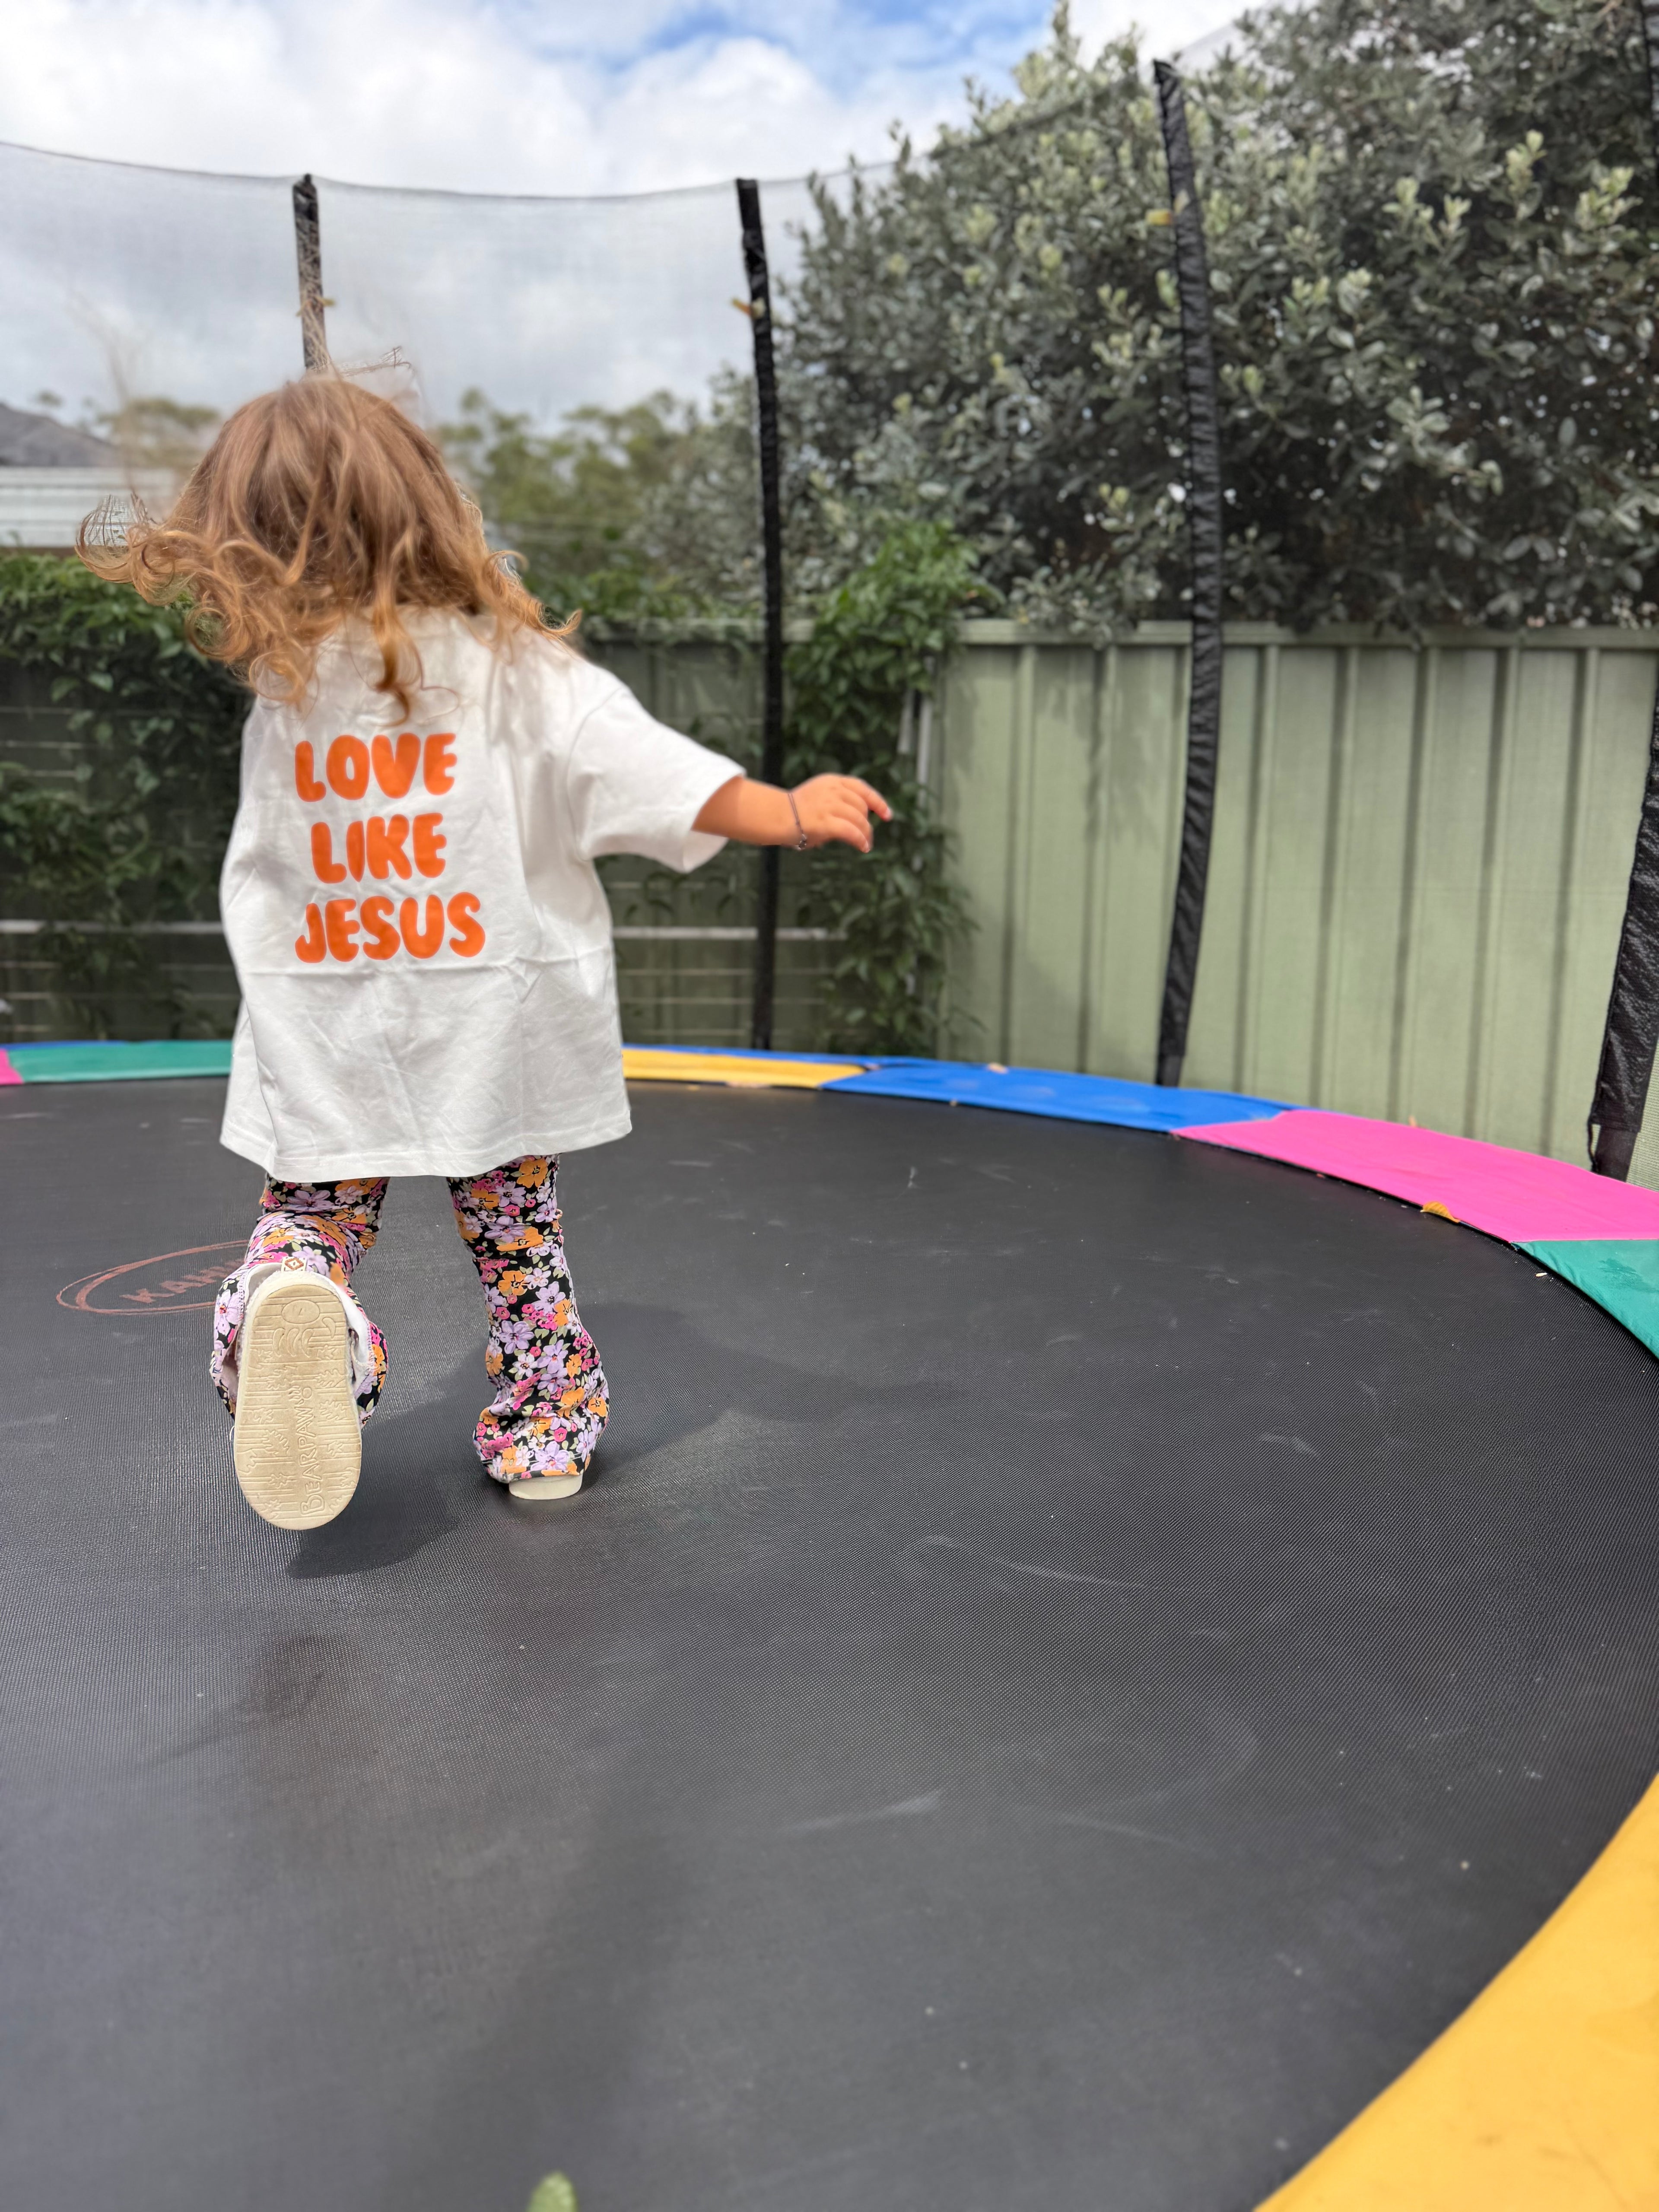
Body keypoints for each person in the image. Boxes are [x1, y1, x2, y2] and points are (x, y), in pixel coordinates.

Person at [79, 375, 889, 1532]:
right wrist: (788, 809)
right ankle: (546, 1427)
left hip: (327, 1035)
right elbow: (646, 769)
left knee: (308, 1220)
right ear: (430, 511)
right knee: (520, 1246)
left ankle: (298, 1306)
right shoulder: (516, 673)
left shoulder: (288, 692)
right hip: (488, 1039)